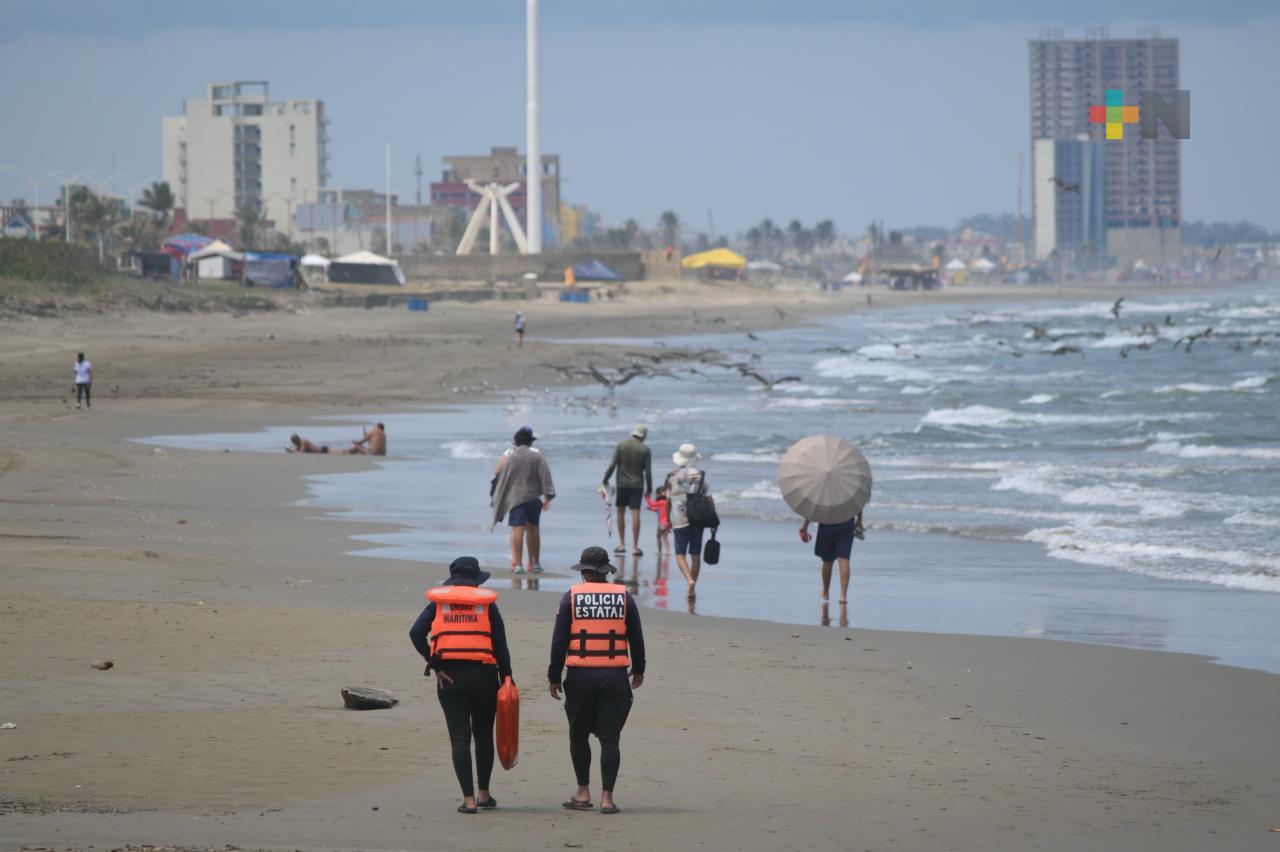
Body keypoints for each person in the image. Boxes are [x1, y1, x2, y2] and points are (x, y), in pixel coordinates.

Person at [409, 556, 513, 814]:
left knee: (459, 738)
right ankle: (484, 795)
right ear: (476, 581)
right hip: (484, 677)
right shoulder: (487, 605)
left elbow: (415, 632)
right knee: (483, 735)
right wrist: (507, 676)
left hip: (450, 678)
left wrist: (434, 664)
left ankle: (468, 800)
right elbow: (500, 644)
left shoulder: (439, 603)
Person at [548, 546, 646, 815]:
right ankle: (607, 799)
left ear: (584, 572)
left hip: (580, 676)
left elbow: (560, 641)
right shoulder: (624, 597)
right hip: (614, 676)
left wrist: (554, 676)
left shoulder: (572, 597)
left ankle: (582, 793)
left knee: (578, 736)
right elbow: (636, 637)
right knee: (610, 740)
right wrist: (639, 669)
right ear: (605, 572)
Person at [490, 425, 555, 574]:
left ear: (516, 441)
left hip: (515, 497)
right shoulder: (538, 454)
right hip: (533, 496)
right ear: (531, 441)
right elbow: (545, 475)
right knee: (533, 529)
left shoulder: (509, 454)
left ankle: (518, 563)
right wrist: (548, 496)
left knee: (517, 528)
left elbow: (498, 471)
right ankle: (535, 563)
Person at [664, 443, 716, 600]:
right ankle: (691, 588)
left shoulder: (672, 475)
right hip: (698, 518)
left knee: (680, 555)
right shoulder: (700, 475)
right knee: (695, 555)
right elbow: (709, 499)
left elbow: (667, 500)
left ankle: (689, 580)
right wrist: (713, 520)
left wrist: (667, 519)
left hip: (679, 518)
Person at [601, 424, 653, 557]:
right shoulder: (645, 449)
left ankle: (622, 544)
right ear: (644, 436)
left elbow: (613, 465)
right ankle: (635, 547)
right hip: (637, 485)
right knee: (635, 514)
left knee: (620, 513)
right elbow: (647, 472)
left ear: (633, 434)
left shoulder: (621, 445)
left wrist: (605, 479)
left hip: (622, 484)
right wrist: (650, 488)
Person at [799, 512, 864, 604]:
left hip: (827, 525)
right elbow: (857, 503)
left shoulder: (821, 496)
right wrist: (859, 519)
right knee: (844, 560)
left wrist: (805, 525)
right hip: (847, 524)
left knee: (827, 561)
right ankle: (843, 596)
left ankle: (825, 592)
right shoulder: (847, 496)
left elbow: (813, 508)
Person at [644, 483, 671, 556]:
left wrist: (647, 498)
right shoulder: (667, 503)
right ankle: (668, 552)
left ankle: (660, 551)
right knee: (665, 538)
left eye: (657, 494)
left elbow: (652, 504)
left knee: (658, 537)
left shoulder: (661, 502)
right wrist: (650, 509)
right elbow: (657, 510)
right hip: (668, 523)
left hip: (662, 523)